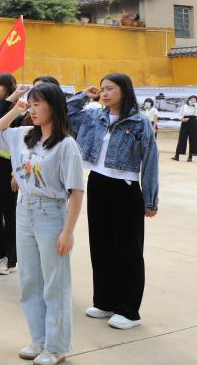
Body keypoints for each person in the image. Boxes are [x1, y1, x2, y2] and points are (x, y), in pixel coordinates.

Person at [0, 84, 85, 365]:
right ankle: (39, 340)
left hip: (51, 214)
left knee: (55, 284)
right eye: (30, 104)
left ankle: (56, 347)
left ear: (54, 107)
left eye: (37, 104)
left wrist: (68, 231)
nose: (32, 110)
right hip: (24, 210)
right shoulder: (24, 136)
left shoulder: (66, 145)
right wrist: (16, 109)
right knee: (30, 281)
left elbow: (76, 192)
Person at [68, 73, 159, 330]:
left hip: (125, 188)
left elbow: (150, 161)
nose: (105, 93)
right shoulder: (95, 116)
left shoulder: (140, 122)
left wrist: (150, 200)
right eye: (103, 89)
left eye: (110, 89)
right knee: (101, 246)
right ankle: (105, 301)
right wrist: (84, 95)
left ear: (124, 91)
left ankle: (129, 310)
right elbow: (67, 113)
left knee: (128, 251)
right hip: (97, 183)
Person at [0, 73, 28, 276]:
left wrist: (15, 173)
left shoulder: (19, 111)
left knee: (9, 215)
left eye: (0, 85)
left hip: (8, 165)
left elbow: (21, 145)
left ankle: (10, 259)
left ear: (10, 87)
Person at [172, 95, 197, 161]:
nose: (192, 101)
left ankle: (190, 157)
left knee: (193, 139)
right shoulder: (184, 106)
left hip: (194, 123)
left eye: (194, 100)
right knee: (181, 139)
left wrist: (195, 105)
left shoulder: (196, 106)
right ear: (188, 99)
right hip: (185, 123)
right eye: (191, 99)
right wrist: (182, 119)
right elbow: (180, 115)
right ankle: (177, 156)